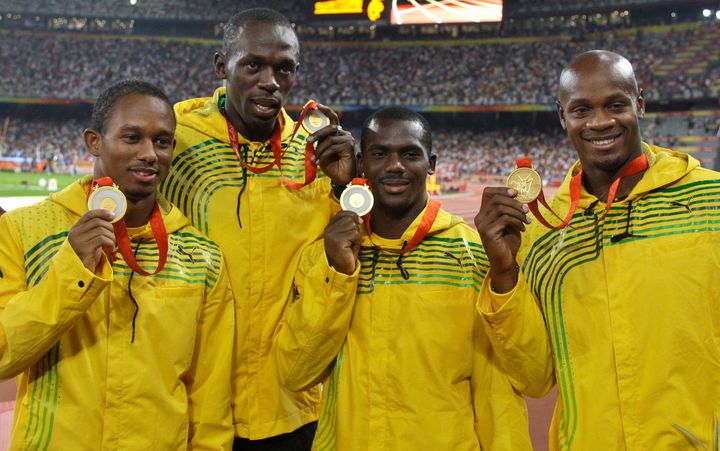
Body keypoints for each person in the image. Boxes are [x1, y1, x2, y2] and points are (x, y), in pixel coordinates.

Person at [475, 50, 720, 450]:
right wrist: (504, 273)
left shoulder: (710, 199)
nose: (600, 122)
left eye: (616, 105)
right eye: (582, 109)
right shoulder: (541, 234)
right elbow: (535, 377)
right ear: (562, 115)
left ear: (640, 102)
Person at [274, 107, 535, 450]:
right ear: (361, 162)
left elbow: (517, 384)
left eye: (410, 154)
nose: (395, 165)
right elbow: (295, 373)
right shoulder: (327, 255)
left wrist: (504, 273)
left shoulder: (473, 256)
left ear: (432, 164)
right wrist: (338, 274)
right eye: (380, 153)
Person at [158, 8, 356, 450]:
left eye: (283, 68)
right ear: (220, 66)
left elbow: (348, 255)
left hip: (293, 405)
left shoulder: (316, 150)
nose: (270, 80)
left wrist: (348, 185)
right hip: (198, 407)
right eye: (253, 65)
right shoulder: (176, 140)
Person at [0, 80, 234, 450]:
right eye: (131, 138)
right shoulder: (24, 231)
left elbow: (210, 395)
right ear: (94, 142)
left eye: (161, 141)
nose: (149, 154)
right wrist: (73, 269)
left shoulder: (201, 255)